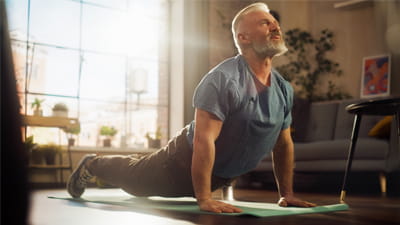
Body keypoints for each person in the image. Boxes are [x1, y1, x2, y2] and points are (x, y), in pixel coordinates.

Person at [67, 2, 316, 213]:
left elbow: (283, 144)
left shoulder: (283, 88)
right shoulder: (223, 79)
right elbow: (203, 141)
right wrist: (204, 198)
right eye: (265, 22)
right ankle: (92, 163)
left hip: (218, 173)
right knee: (136, 183)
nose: (275, 26)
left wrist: (287, 194)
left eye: (275, 21)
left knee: (139, 177)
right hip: (180, 162)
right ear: (244, 37)